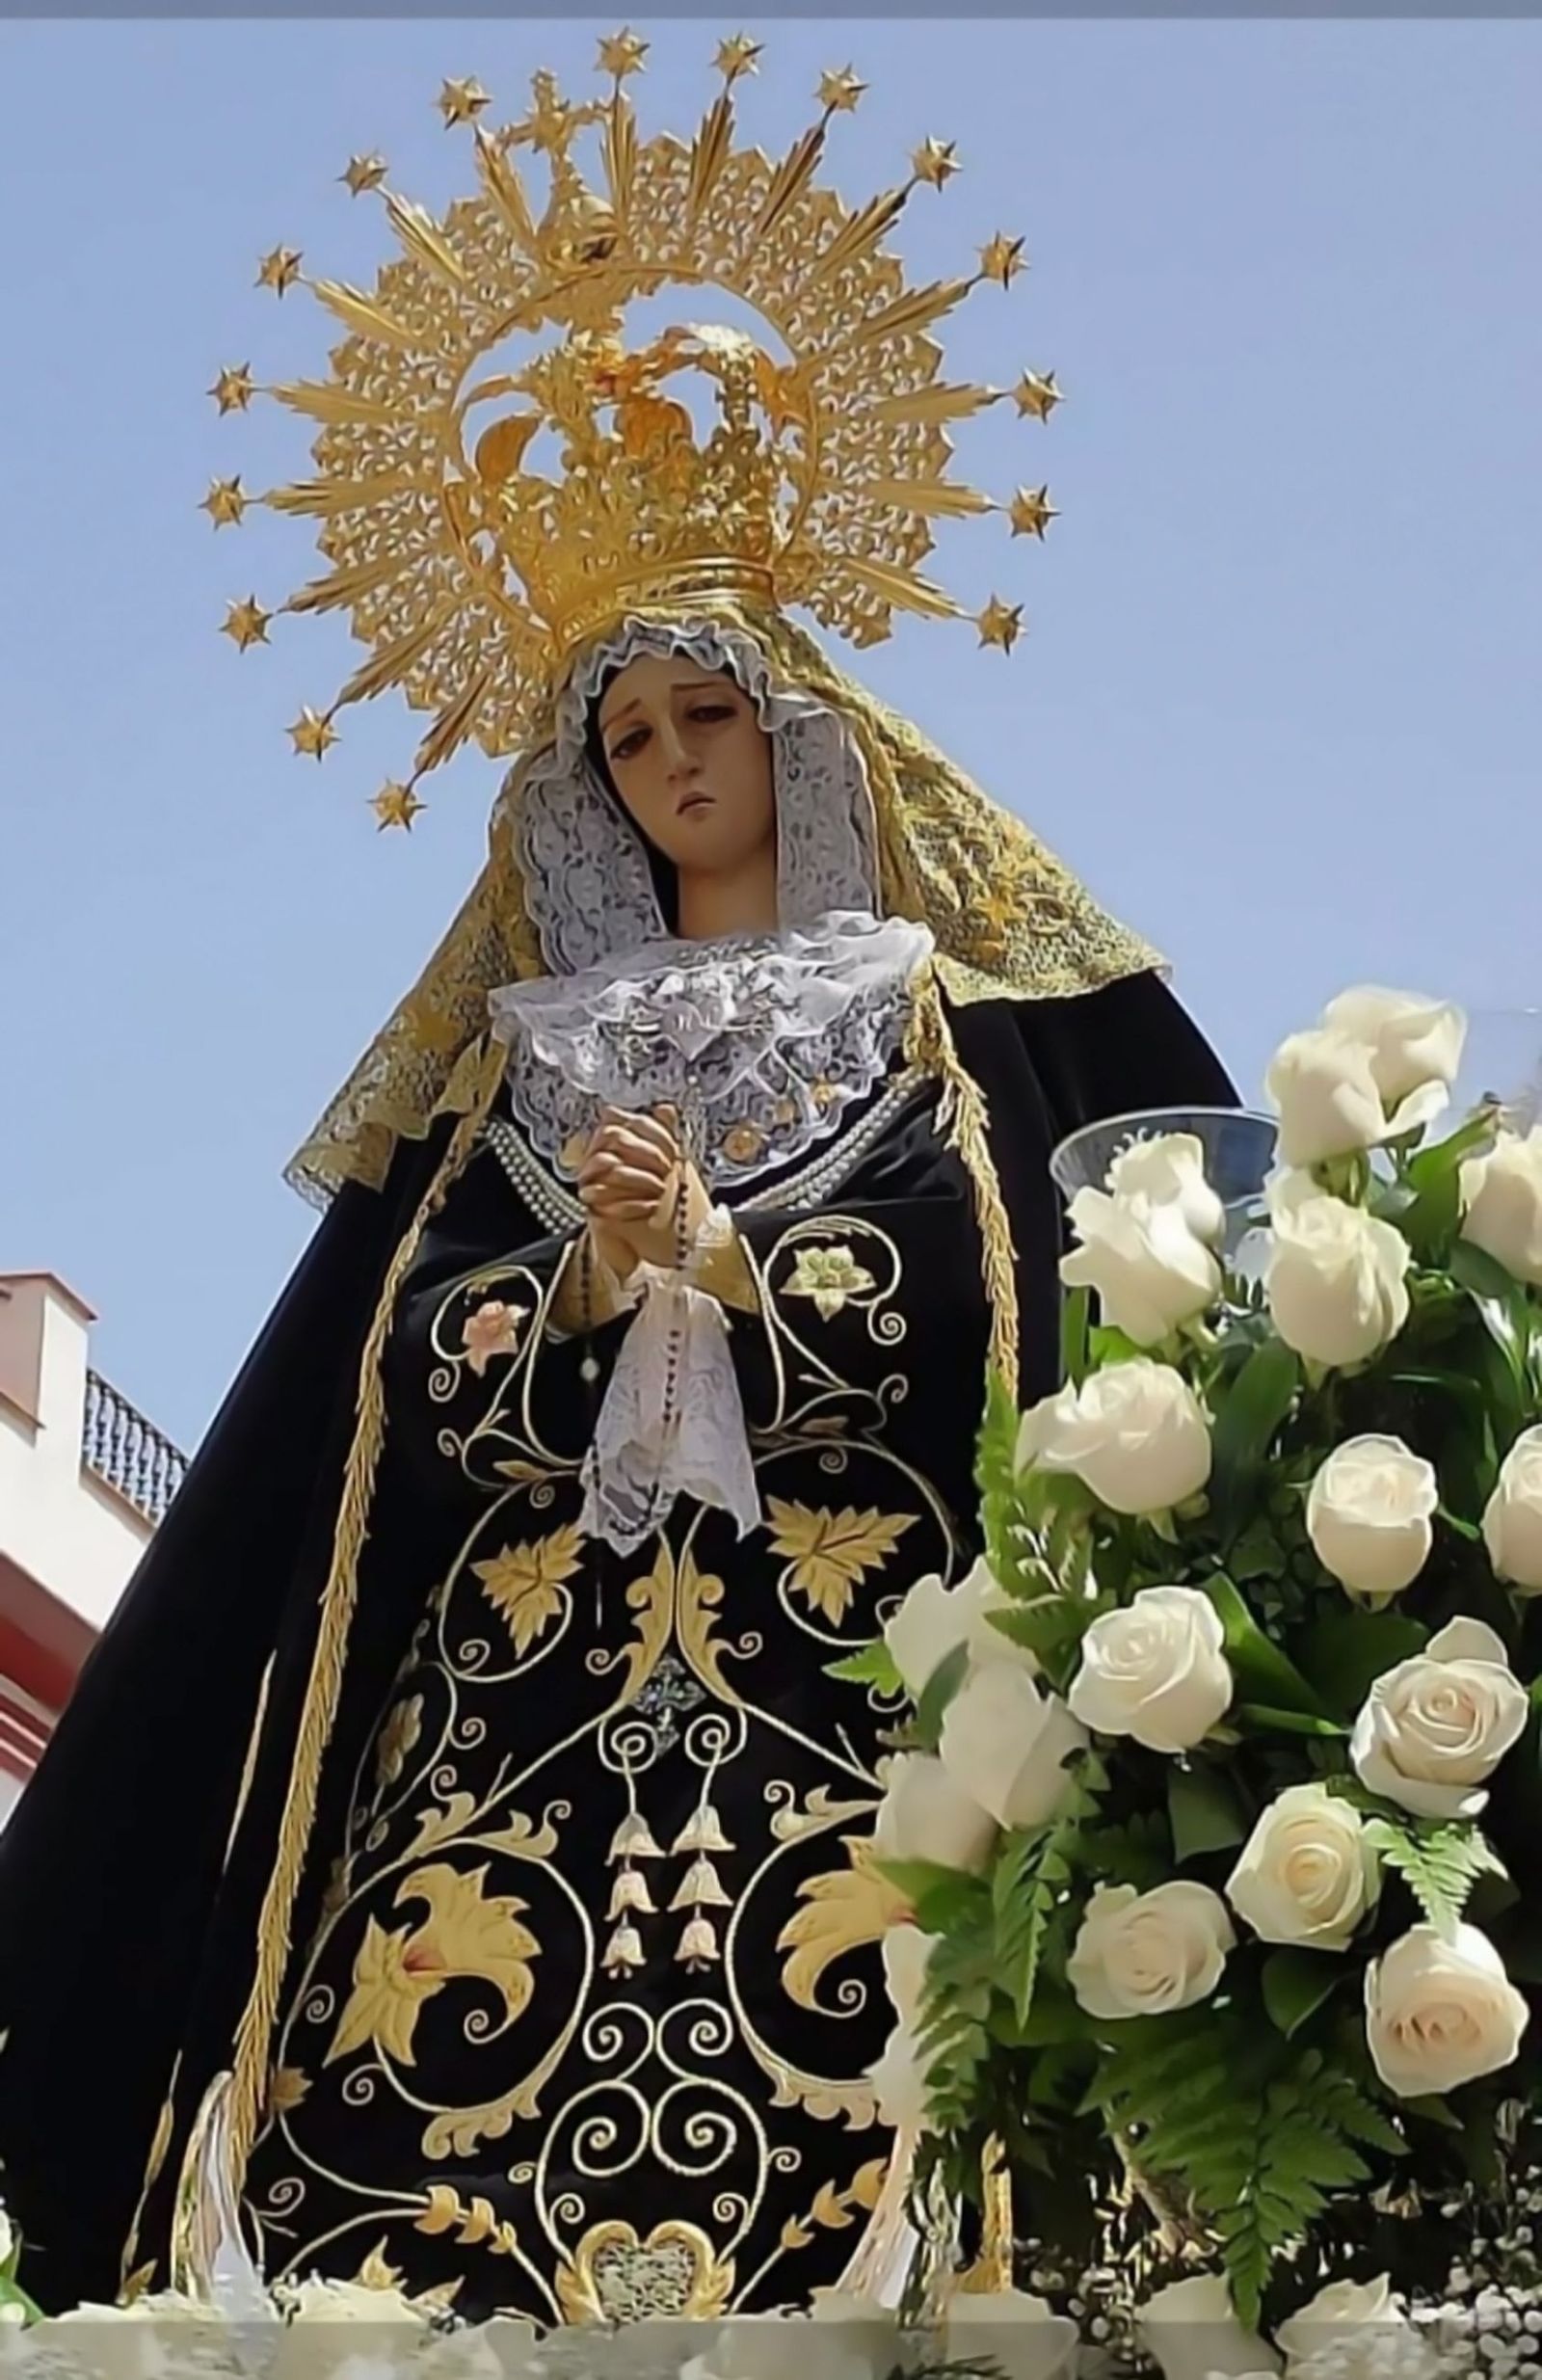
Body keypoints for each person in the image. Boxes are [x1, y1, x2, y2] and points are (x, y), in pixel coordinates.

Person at [0, 52, 1234, 2328]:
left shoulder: (932, 1015)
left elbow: (1030, 1299)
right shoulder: (523, 1058)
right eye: (629, 736)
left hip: (863, 1661)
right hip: (523, 1707)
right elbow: (389, 1378)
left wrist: (745, 1263)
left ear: (793, 721)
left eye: (704, 714)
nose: (672, 764)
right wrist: (575, 1286)